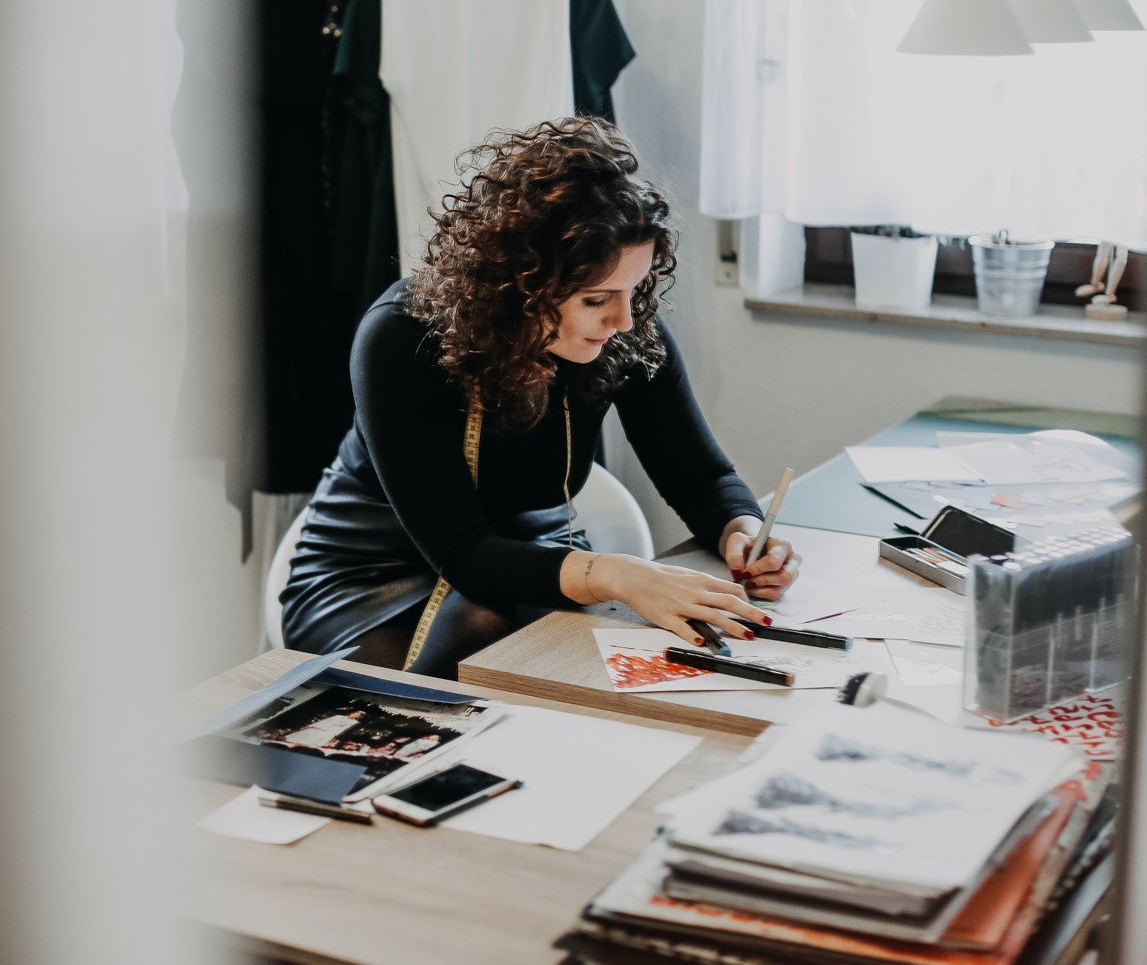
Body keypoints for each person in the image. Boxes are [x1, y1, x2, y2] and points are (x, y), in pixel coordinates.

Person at [281, 117, 801, 679]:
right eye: (596, 298)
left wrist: (743, 531)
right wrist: (620, 575)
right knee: (483, 637)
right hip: (373, 571)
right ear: (520, 283)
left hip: (527, 560)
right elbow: (462, 553)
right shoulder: (403, 337)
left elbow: (699, 476)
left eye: (635, 289)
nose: (624, 318)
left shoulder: (625, 330)